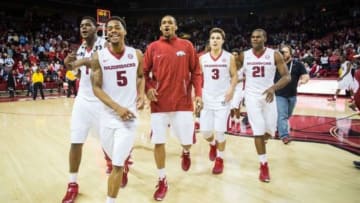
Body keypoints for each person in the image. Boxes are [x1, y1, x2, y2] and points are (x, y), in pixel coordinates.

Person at [143, 15, 203, 201]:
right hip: (159, 104)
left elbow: (197, 72)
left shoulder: (187, 46)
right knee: (158, 142)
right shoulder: (152, 48)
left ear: (176, 26)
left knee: (187, 141)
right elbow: (143, 73)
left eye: (170, 22)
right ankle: (162, 180)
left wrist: (198, 95)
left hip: (183, 103)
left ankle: (185, 151)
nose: (166, 25)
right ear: (160, 28)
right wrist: (149, 89)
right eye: (163, 23)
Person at [90, 16, 145, 203]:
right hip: (106, 116)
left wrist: (141, 94)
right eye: (109, 29)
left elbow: (141, 75)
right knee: (113, 155)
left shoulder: (136, 54)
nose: (112, 31)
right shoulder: (99, 57)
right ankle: (123, 161)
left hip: (128, 117)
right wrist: (116, 107)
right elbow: (96, 88)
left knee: (117, 164)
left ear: (125, 32)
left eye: (117, 28)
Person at [61, 16, 115, 203]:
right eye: (81, 25)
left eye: (87, 25)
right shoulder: (80, 49)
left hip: (101, 100)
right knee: (76, 141)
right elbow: (76, 74)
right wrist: (69, 65)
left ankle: (114, 161)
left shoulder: (106, 44)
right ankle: (72, 184)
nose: (83, 28)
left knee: (107, 142)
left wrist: (81, 62)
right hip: (82, 101)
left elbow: (100, 65)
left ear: (95, 28)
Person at [238, 29, 291, 182]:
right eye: (252, 37)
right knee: (258, 131)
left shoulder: (274, 54)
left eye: (258, 37)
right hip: (252, 97)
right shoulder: (244, 55)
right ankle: (263, 165)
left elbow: (287, 76)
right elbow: (233, 71)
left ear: (264, 38)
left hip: (268, 96)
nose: (255, 39)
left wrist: (273, 88)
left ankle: (264, 139)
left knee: (270, 131)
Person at [199, 27, 237, 174]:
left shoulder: (229, 57)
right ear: (209, 41)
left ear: (222, 41)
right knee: (205, 133)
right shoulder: (202, 58)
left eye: (218, 38)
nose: (215, 40)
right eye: (212, 38)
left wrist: (231, 89)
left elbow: (234, 75)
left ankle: (220, 159)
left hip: (222, 98)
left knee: (220, 131)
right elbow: (197, 78)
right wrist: (196, 95)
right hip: (207, 98)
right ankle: (212, 144)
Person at [275, 45, 309, 144]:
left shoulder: (297, 64)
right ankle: (284, 135)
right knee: (282, 115)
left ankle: (280, 126)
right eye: (282, 52)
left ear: (290, 53)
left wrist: (302, 81)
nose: (283, 54)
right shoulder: (276, 64)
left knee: (287, 115)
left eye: (285, 52)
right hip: (279, 94)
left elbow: (306, 76)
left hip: (292, 95)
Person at [229, 48, 246, 133]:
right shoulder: (228, 64)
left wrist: (239, 80)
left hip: (239, 88)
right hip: (230, 88)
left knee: (236, 106)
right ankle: (232, 122)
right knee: (231, 107)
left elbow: (247, 76)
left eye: (236, 54)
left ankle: (238, 124)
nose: (234, 56)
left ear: (238, 56)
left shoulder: (242, 65)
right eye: (233, 54)